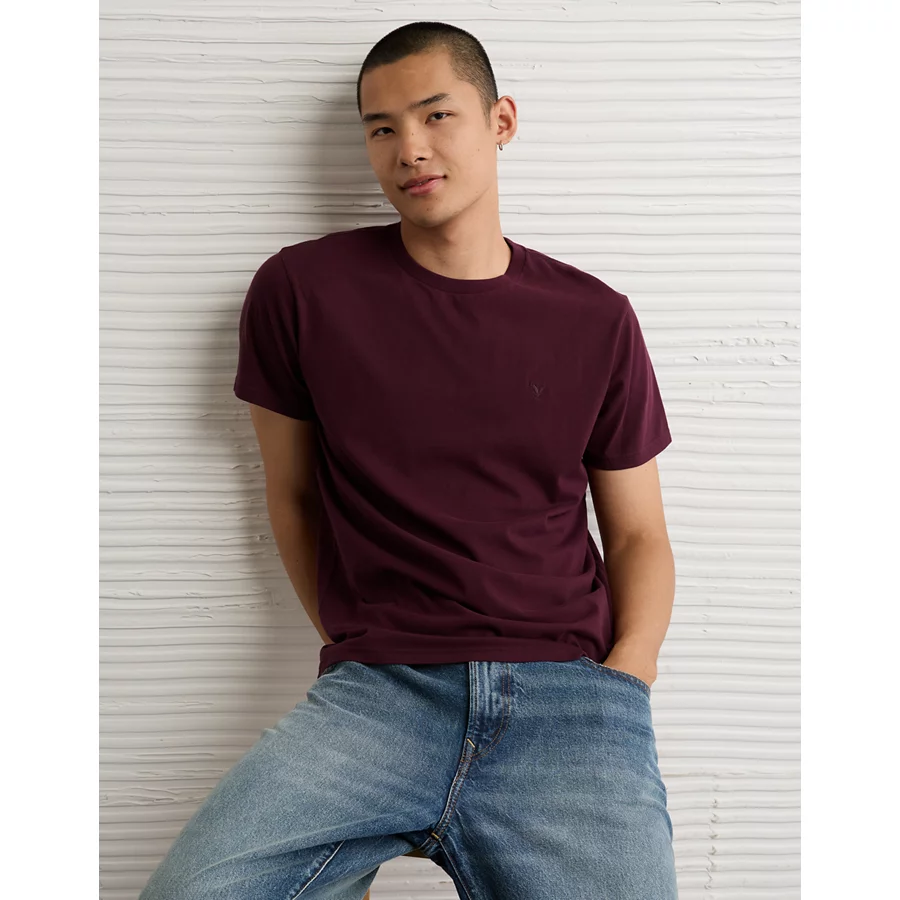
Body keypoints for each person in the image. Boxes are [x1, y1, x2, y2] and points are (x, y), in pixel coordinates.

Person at [139, 20, 678, 900]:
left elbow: (639, 535)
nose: (410, 149)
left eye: (436, 116)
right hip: (379, 694)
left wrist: (629, 676)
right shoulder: (301, 292)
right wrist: (353, 638)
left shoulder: (596, 317)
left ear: (501, 120)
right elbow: (292, 497)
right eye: (382, 128)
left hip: (570, 701)